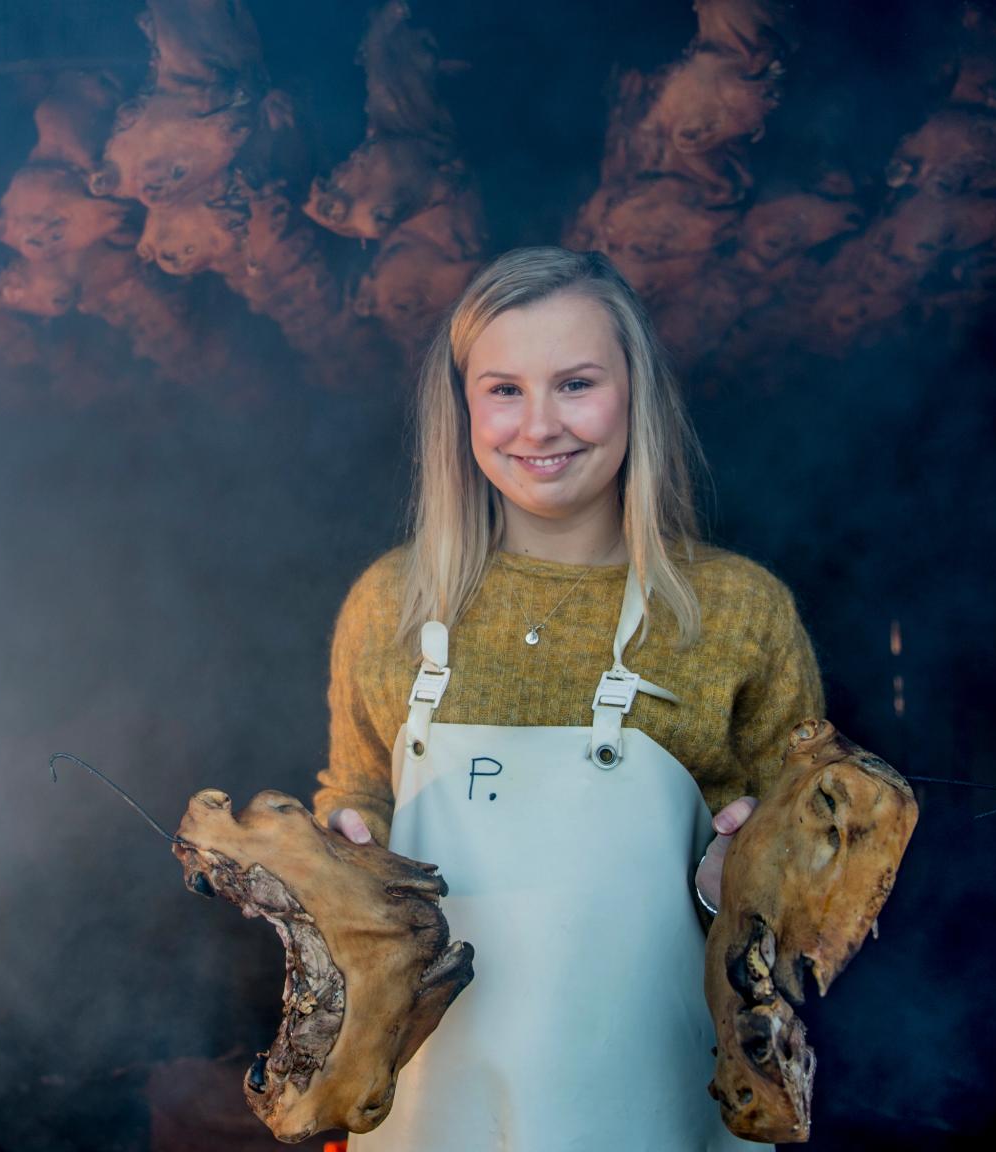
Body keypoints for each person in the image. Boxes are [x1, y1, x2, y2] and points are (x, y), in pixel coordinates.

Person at [312, 246, 824, 1150]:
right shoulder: (390, 606)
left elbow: (815, 888)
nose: (538, 425)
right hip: (426, 1108)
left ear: (636, 396)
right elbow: (355, 793)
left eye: (576, 383)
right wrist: (344, 842)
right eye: (503, 388)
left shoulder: (739, 613)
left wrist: (745, 878)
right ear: (463, 408)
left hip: (660, 1107)